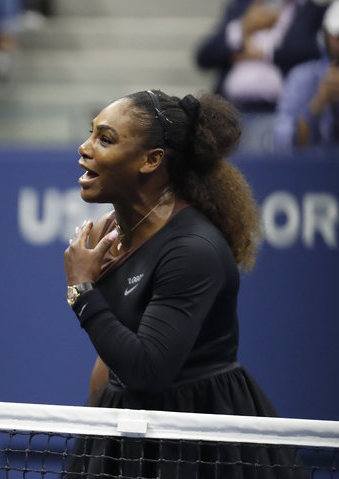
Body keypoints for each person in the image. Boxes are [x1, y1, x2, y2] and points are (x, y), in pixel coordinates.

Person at [62, 90, 296, 477]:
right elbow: (117, 353)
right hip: (127, 426)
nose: (84, 148)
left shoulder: (192, 251)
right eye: (90, 134)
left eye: (105, 138)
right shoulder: (115, 233)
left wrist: (82, 291)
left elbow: (148, 370)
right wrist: (96, 420)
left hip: (197, 438)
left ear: (152, 160)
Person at [195, 0, 327, 111]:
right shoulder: (242, 6)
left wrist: (264, 53)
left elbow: (312, 52)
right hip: (229, 106)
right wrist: (242, 28)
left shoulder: (309, 9)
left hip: (278, 108)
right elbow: (204, 56)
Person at [274, 0, 339, 149]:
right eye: (338, 36)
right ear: (326, 36)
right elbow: (282, 144)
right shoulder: (302, 77)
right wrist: (319, 102)